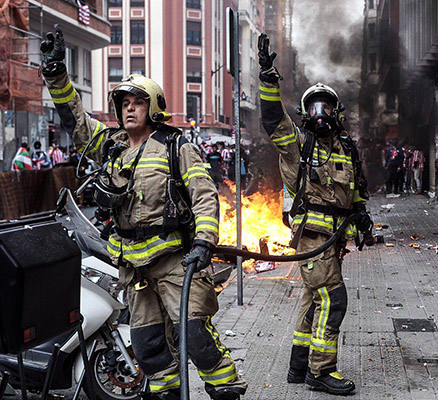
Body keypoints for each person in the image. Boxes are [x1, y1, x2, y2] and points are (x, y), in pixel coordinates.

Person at [40, 25, 246, 400]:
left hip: (174, 261)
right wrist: (56, 75)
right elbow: (77, 122)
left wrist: (204, 242)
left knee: (195, 335)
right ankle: (168, 394)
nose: (128, 108)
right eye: (123, 103)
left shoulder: (174, 145)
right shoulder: (113, 146)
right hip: (132, 266)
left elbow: (204, 196)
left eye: (136, 101)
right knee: (148, 345)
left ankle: (226, 389)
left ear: (152, 106)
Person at [258, 33, 374, 396]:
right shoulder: (298, 145)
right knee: (332, 300)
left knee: (313, 300)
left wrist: (361, 215)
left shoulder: (346, 148)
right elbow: (273, 120)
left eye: (325, 106)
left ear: (336, 111)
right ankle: (320, 372)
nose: (319, 113)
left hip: (335, 241)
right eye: (313, 107)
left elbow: (356, 191)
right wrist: (267, 77)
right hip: (312, 239)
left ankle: (298, 365)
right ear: (306, 113)